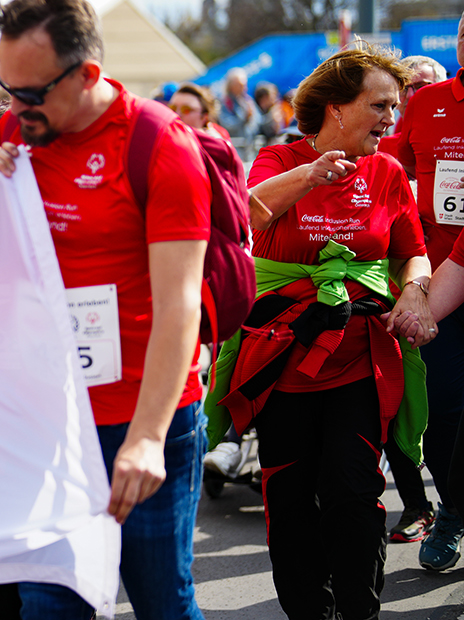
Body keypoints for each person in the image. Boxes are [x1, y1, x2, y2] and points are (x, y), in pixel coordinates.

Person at [0, 0, 212, 617]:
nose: (16, 107)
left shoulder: (160, 145)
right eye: (6, 87)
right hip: (50, 423)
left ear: (86, 74)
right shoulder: (14, 133)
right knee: (52, 604)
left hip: (140, 417)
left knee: (163, 602)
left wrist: (148, 438)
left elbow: (181, 304)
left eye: (31, 92)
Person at [225, 46, 430, 617]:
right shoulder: (278, 157)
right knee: (290, 500)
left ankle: (359, 610)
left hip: (358, 359)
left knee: (355, 493)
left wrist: (415, 290)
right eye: (381, 104)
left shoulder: (387, 171)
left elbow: (413, 253)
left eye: (397, 105)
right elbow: (250, 212)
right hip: (282, 359)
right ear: (337, 108)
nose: (393, 117)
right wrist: (311, 174)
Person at [394, 11, 464, 572]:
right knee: (440, 408)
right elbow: (390, 174)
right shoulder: (428, 102)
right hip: (439, 279)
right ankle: (454, 507)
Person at [372, 52, 449, 545]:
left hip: (445, 272)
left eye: (424, 85)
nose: (415, 95)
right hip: (411, 282)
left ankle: (450, 507)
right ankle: (420, 507)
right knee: (407, 399)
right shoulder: (396, 137)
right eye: (408, 89)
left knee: (448, 407)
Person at [217, 68, 259, 149]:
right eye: (240, 85)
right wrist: (245, 118)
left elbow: (259, 120)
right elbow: (227, 125)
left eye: (244, 85)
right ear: (231, 86)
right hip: (235, 148)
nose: (244, 88)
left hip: (251, 148)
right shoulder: (224, 102)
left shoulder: (247, 100)